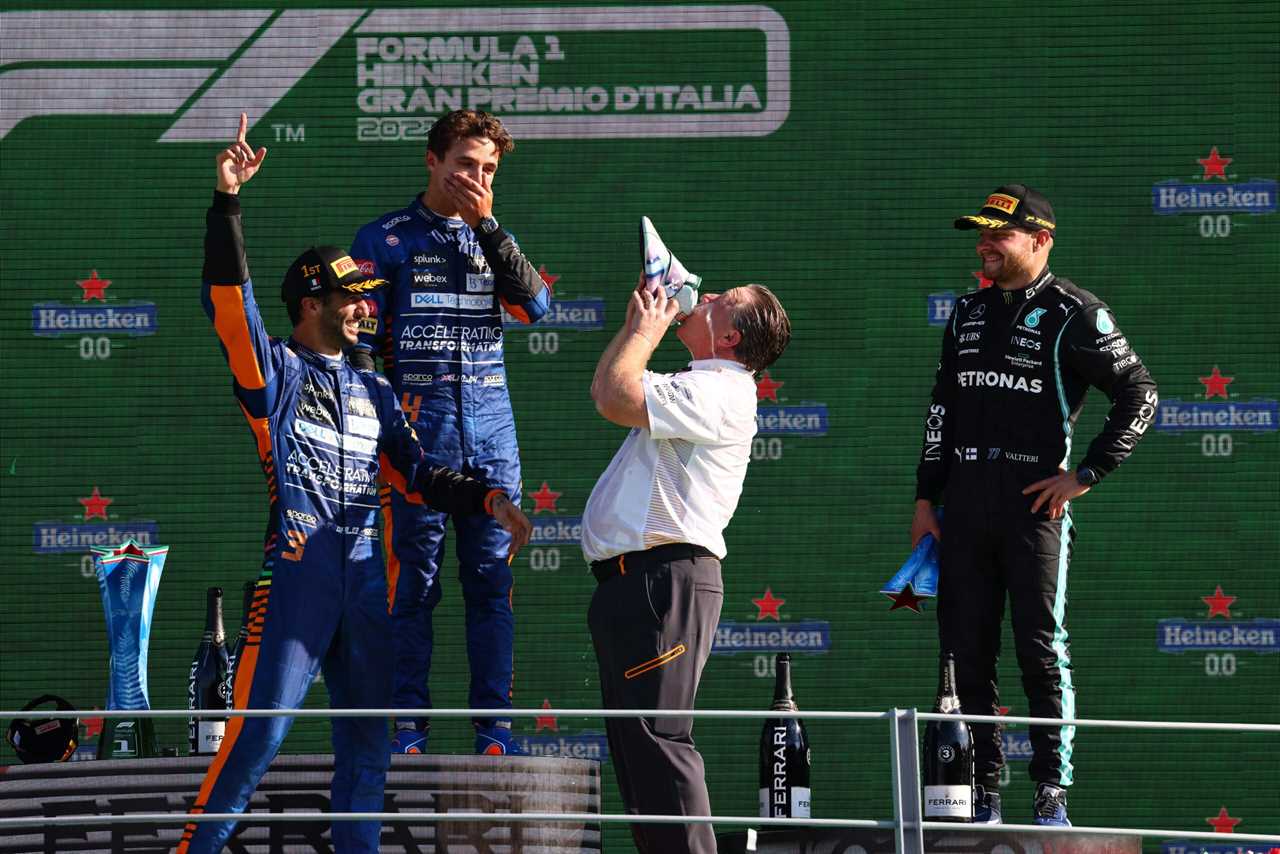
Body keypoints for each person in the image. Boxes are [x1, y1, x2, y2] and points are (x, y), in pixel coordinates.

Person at [178, 114, 531, 854]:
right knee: (256, 742)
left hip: (366, 582)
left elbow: (423, 476)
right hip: (298, 579)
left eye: (369, 295)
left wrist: (489, 499)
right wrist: (227, 202)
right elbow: (229, 306)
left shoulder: (375, 392)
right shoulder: (272, 375)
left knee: (368, 756)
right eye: (353, 296)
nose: (368, 305)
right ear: (311, 305)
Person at [911, 185, 1158, 827]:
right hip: (963, 506)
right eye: (981, 233)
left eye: (1000, 233)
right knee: (964, 650)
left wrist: (1085, 475)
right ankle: (982, 796)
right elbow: (943, 410)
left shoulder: (1075, 311)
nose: (984, 243)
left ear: (1040, 240)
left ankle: (1051, 797)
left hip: (1033, 511)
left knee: (1040, 648)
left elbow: (1140, 391)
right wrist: (924, 499)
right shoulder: (965, 311)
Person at [349, 110, 550, 756]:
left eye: (489, 170)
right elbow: (358, 350)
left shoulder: (493, 239)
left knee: (491, 585)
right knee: (412, 588)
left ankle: (495, 732)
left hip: (493, 447)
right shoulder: (383, 239)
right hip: (418, 450)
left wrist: (486, 225)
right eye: (466, 164)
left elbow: (535, 307)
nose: (477, 178)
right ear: (433, 161)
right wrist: (385, 437)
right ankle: (408, 731)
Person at [583, 278, 791, 854]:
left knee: (659, 739)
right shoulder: (700, 384)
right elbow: (607, 385)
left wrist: (646, 330)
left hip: (663, 580)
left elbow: (615, 398)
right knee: (637, 750)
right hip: (638, 584)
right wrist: (635, 329)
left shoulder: (722, 391)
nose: (707, 295)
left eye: (723, 299)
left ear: (728, 335)